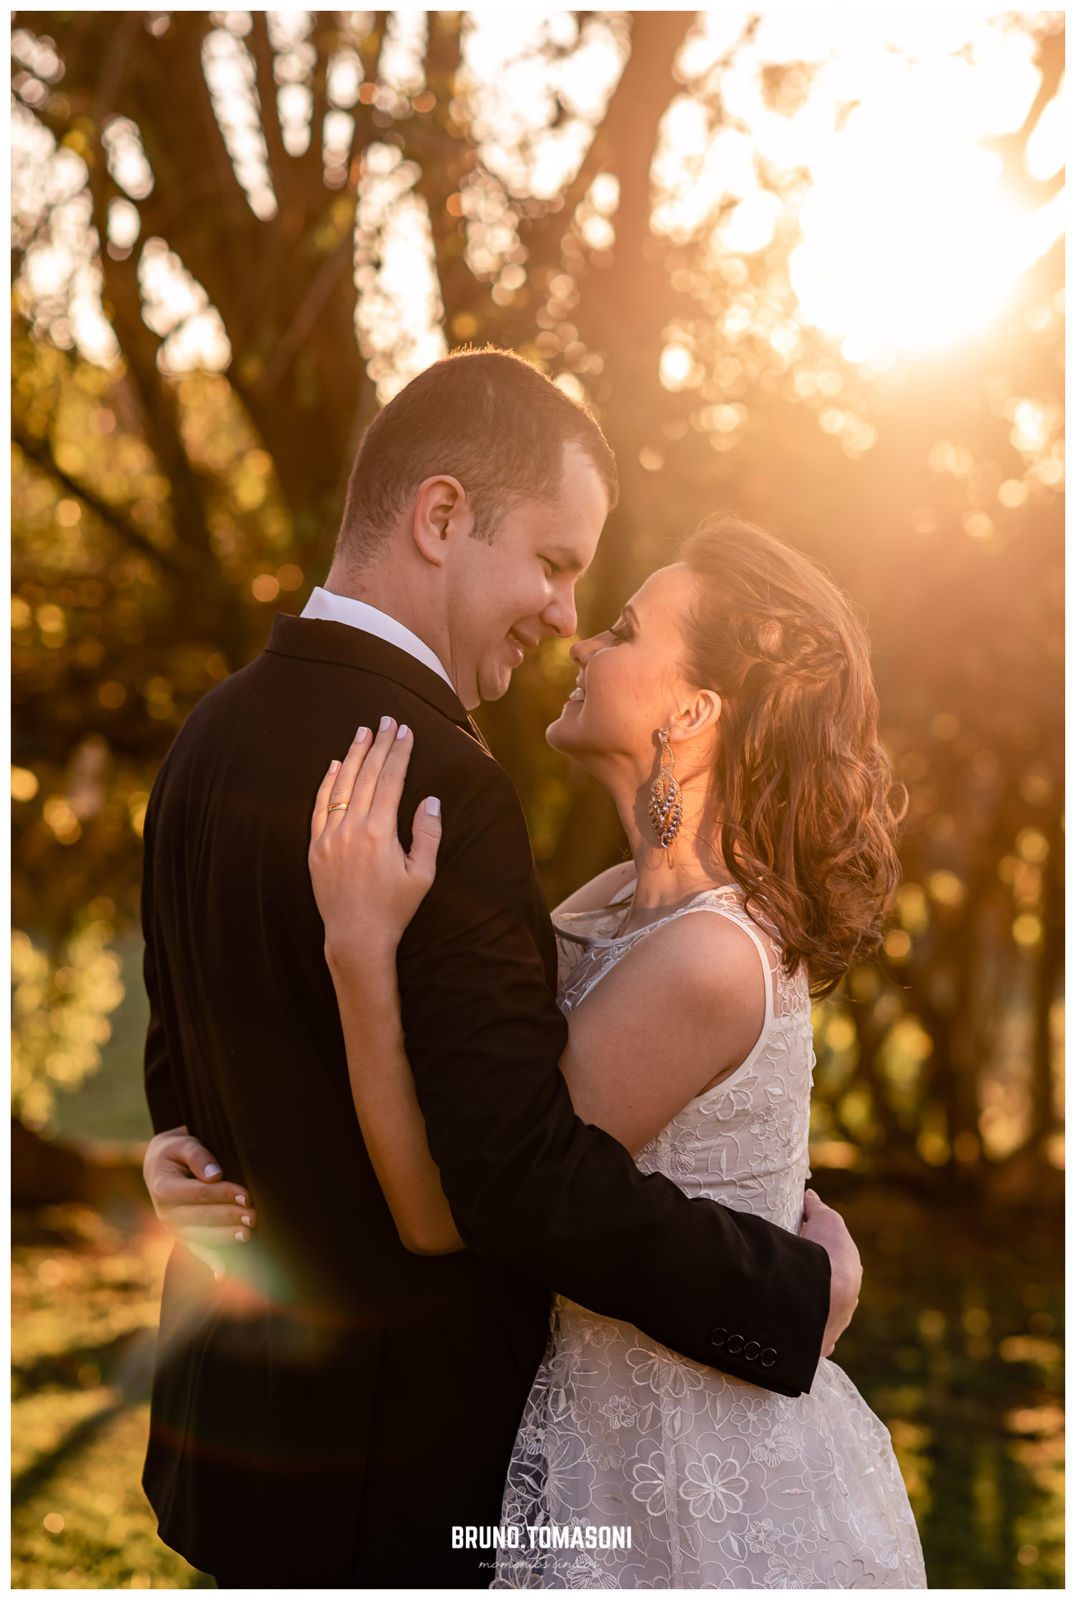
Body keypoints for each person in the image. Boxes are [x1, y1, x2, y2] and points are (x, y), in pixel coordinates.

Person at [139, 349, 860, 1588]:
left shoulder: (208, 735)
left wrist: (172, 1152)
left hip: (230, 1452)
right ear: (439, 516)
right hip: (398, 1483)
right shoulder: (437, 782)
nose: (564, 617)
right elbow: (513, 1172)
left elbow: (186, 1055)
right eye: (555, 562)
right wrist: (790, 1288)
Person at [293, 514, 925, 1587]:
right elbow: (470, 1112)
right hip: (606, 1427)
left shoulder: (707, 960)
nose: (582, 642)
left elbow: (451, 1205)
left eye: (625, 628)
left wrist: (358, 953)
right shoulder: (611, 906)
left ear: (692, 710)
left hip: (687, 1473)